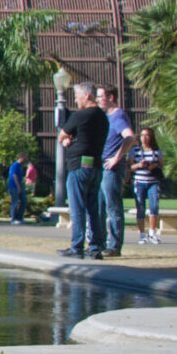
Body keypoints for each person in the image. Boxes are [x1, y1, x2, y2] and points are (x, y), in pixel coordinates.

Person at [56, 82, 109, 260]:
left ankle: (76, 247)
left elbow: (61, 136)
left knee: (77, 207)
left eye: (78, 96)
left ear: (87, 96)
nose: (76, 100)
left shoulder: (81, 116)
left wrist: (66, 140)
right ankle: (95, 248)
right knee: (93, 208)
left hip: (78, 166)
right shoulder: (102, 117)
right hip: (95, 167)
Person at [97, 86, 136, 257]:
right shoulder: (106, 117)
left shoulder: (118, 115)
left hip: (111, 169)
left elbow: (130, 137)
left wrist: (116, 158)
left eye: (100, 96)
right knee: (98, 206)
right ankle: (98, 243)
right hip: (101, 167)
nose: (97, 99)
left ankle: (114, 246)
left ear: (111, 97)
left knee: (113, 207)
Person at [130, 129, 166, 244]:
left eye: (147, 135)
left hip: (153, 182)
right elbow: (129, 167)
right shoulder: (134, 150)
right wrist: (139, 165)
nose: (144, 138)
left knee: (154, 206)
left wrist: (152, 166)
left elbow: (161, 166)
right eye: (142, 135)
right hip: (139, 181)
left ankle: (152, 232)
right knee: (140, 207)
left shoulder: (156, 151)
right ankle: (142, 234)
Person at [6, 152, 29, 224]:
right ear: (21, 158)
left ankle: (19, 217)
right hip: (13, 186)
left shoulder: (20, 166)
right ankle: (13, 219)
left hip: (19, 186)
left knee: (24, 201)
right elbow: (14, 175)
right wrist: (18, 186)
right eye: (24, 158)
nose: (25, 160)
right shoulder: (15, 165)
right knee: (15, 202)